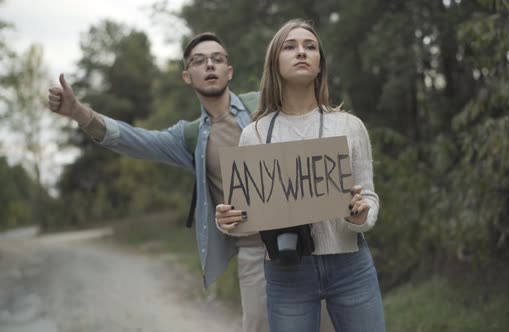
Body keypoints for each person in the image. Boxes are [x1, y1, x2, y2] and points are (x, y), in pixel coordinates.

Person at [47, 32, 334, 332]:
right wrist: (79, 113)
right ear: (187, 75)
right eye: (199, 61)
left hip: (310, 244)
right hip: (255, 255)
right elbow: (133, 139)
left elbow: (312, 118)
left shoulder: (264, 102)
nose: (209, 65)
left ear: (229, 71)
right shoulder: (190, 136)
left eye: (217, 59)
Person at [215, 19, 386, 332]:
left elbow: (370, 198)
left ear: (320, 64)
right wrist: (229, 222)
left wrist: (360, 216)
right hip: (286, 271)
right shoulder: (255, 134)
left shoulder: (349, 126)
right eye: (290, 46)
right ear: (275, 62)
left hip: (350, 265)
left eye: (310, 47)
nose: (301, 52)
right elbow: (247, 216)